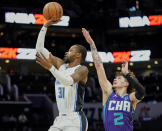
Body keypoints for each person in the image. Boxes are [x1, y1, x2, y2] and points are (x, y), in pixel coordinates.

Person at [82, 28, 145, 131]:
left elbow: (142, 92)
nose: (115, 79)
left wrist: (127, 74)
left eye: (119, 78)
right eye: (115, 78)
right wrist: (92, 44)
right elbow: (99, 66)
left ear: (126, 84)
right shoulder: (108, 92)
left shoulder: (131, 98)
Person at [35, 20, 88, 131]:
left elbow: (68, 81)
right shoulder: (61, 65)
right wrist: (45, 26)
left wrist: (50, 68)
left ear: (78, 55)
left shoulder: (82, 69)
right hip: (60, 119)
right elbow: (40, 49)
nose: (66, 52)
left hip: (75, 119)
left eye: (70, 50)